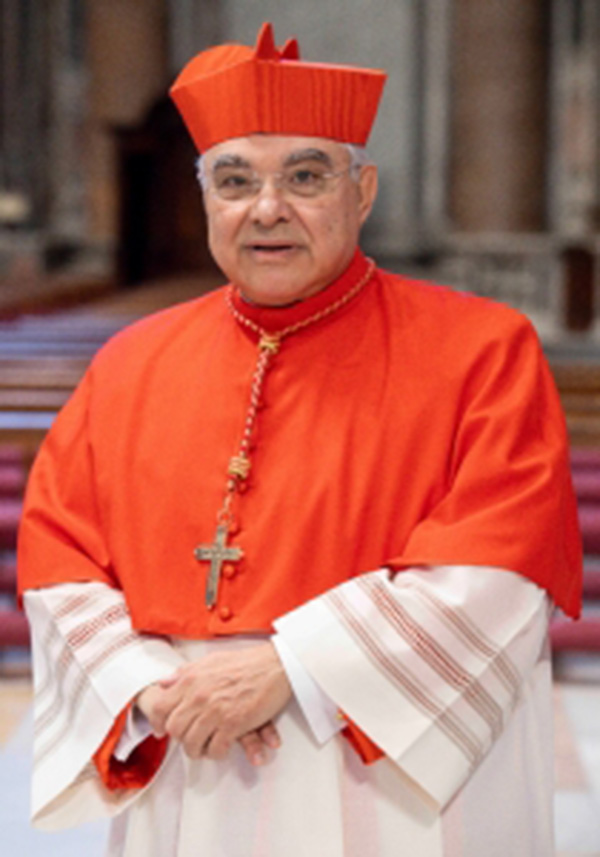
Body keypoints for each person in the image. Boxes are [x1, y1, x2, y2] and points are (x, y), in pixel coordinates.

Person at [18, 21, 582, 857]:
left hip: (387, 765)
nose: (266, 208)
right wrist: (150, 689)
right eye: (235, 180)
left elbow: (501, 563)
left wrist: (296, 669)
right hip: (191, 747)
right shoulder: (130, 362)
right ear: (206, 200)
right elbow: (60, 553)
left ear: (363, 192)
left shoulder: (483, 349)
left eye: (306, 176)